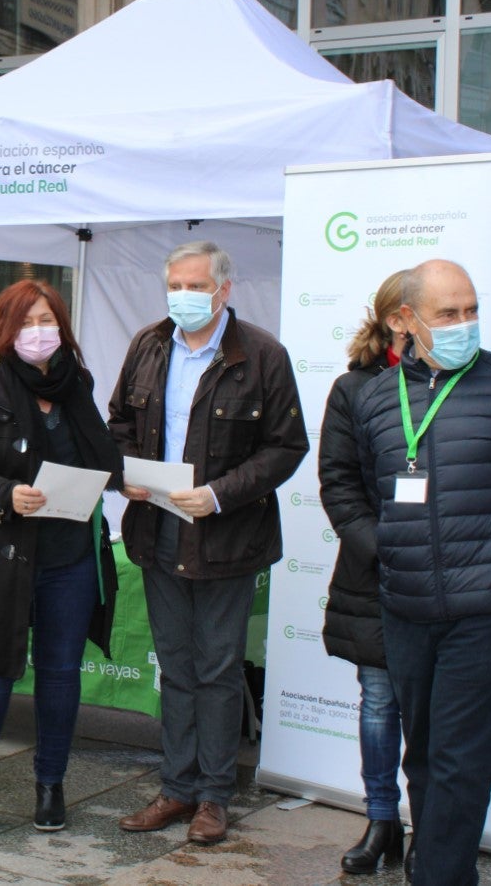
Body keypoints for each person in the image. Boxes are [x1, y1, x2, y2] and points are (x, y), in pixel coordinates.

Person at [352, 260, 491, 886]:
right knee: (421, 756)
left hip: (489, 613)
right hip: (408, 609)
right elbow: (372, 494)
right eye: (448, 314)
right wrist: (395, 557)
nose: (463, 324)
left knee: (460, 762)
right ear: (405, 320)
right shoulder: (374, 400)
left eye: (471, 310)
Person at [109, 240, 308, 845]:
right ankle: (176, 787)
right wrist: (127, 475)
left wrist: (220, 494)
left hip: (226, 534)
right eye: (175, 285)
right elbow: (117, 422)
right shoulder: (148, 344)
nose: (183, 297)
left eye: (195, 286)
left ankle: (215, 797)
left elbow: (285, 447)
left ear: (224, 289)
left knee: (218, 668)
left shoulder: (263, 355)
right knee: (175, 666)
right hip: (156, 525)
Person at [0, 280, 124, 842]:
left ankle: (51, 784)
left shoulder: (78, 386)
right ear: (4, 330)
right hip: (3, 554)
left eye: (47, 320)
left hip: (69, 557)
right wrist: (3, 493)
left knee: (62, 675)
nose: (38, 332)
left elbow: (100, 457)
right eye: (26, 323)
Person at [318, 271, 408, 874]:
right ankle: (381, 821)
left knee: (433, 711)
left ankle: (433, 826)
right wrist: (380, 546)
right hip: (376, 571)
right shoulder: (354, 389)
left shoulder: (473, 385)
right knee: (378, 702)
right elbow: (339, 483)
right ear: (398, 317)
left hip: (450, 574)